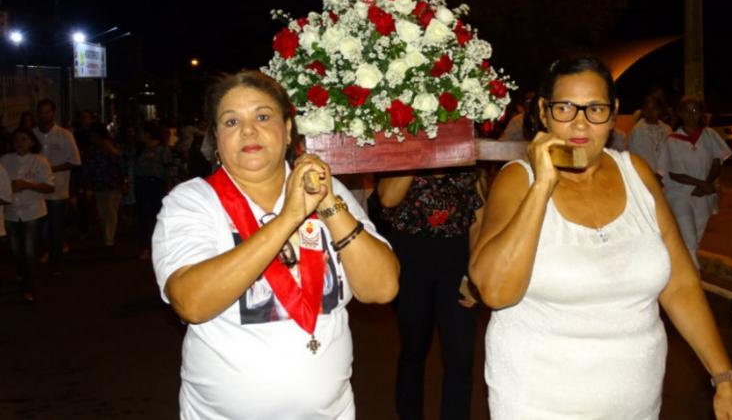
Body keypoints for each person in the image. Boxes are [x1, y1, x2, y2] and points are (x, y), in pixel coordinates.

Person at [469, 56, 732, 420]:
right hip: (537, 403)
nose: (581, 123)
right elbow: (495, 291)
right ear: (544, 110)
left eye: (596, 108)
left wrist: (724, 377)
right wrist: (543, 186)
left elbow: (679, 283)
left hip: (637, 404)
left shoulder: (637, 173)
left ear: (614, 112)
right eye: (566, 108)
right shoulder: (517, 180)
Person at [151, 70, 399, 419]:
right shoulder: (192, 202)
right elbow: (190, 302)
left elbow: (382, 288)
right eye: (231, 121)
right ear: (217, 139)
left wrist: (327, 202)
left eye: (263, 116)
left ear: (287, 130)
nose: (248, 130)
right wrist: (287, 219)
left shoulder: (330, 191)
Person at [376, 168, 484, 420]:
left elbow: (479, 220)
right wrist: (420, 151)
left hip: (457, 264)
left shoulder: (466, 161)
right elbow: (388, 198)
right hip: (412, 262)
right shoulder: (407, 151)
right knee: (413, 350)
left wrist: (474, 274)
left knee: (460, 357)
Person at [656, 97, 732, 265]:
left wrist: (707, 183)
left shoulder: (710, 136)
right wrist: (702, 184)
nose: (691, 115)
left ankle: (678, 271)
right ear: (680, 114)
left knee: (695, 238)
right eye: (687, 111)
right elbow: (673, 173)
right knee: (689, 238)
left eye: (695, 111)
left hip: (702, 195)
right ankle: (693, 280)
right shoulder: (671, 140)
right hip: (679, 195)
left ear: (702, 114)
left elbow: (716, 162)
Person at [2, 127, 55, 302]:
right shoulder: (5, 160)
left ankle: (28, 287)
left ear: (32, 142)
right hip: (11, 212)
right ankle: (22, 273)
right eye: (16, 139)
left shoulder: (39, 161)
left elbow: (49, 186)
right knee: (16, 250)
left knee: (30, 251)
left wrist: (27, 185)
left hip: (33, 211)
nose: (19, 143)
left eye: (24, 139)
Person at [33, 99, 81, 273]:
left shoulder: (64, 134)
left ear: (53, 113)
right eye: (41, 112)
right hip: (37, 189)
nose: (44, 115)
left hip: (57, 190)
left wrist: (52, 168)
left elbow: (75, 161)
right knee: (39, 227)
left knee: (56, 227)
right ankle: (46, 253)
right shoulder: (33, 134)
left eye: (47, 112)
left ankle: (56, 262)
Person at [82, 122, 126, 247]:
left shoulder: (112, 146)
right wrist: (88, 185)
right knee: (102, 213)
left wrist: (123, 181)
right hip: (99, 184)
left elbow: (121, 164)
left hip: (113, 183)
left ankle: (109, 240)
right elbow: (88, 168)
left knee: (111, 212)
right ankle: (107, 235)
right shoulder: (91, 150)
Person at [133, 122, 171, 259]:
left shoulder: (162, 150)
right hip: (142, 183)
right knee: (143, 217)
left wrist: (168, 187)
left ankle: (159, 248)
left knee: (157, 217)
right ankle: (145, 247)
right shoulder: (140, 149)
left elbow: (168, 169)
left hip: (156, 184)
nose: (139, 136)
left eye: (141, 133)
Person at [629, 94, 672, 173]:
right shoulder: (638, 130)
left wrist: (660, 174)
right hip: (645, 174)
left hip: (665, 177)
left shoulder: (667, 130)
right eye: (647, 108)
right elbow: (636, 156)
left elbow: (668, 156)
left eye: (653, 108)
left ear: (659, 110)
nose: (650, 111)